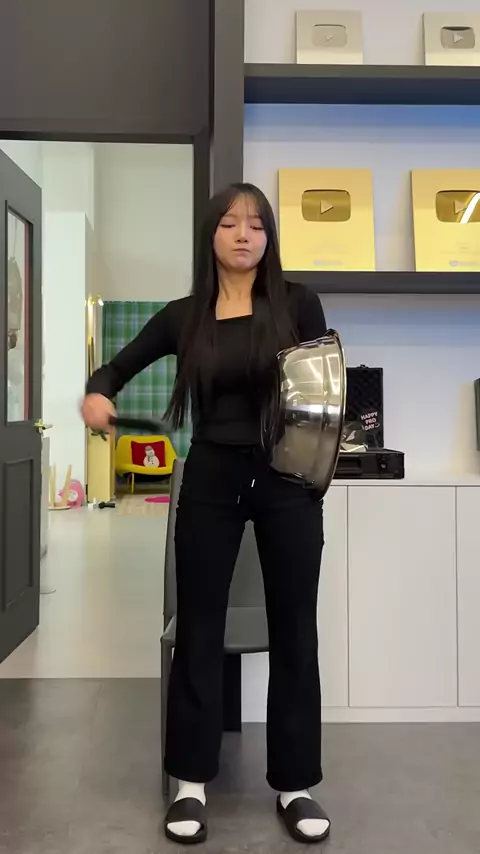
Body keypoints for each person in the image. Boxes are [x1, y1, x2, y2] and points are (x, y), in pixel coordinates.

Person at [81, 183, 331, 846]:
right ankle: (190, 784)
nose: (243, 235)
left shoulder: (298, 304)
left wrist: (317, 473)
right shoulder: (183, 317)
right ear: (211, 236)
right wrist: (97, 394)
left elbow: (322, 393)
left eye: (256, 225)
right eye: (229, 224)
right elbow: (113, 370)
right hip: (212, 478)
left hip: (287, 477)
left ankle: (295, 785)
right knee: (198, 627)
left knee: (295, 629)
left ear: (269, 237)